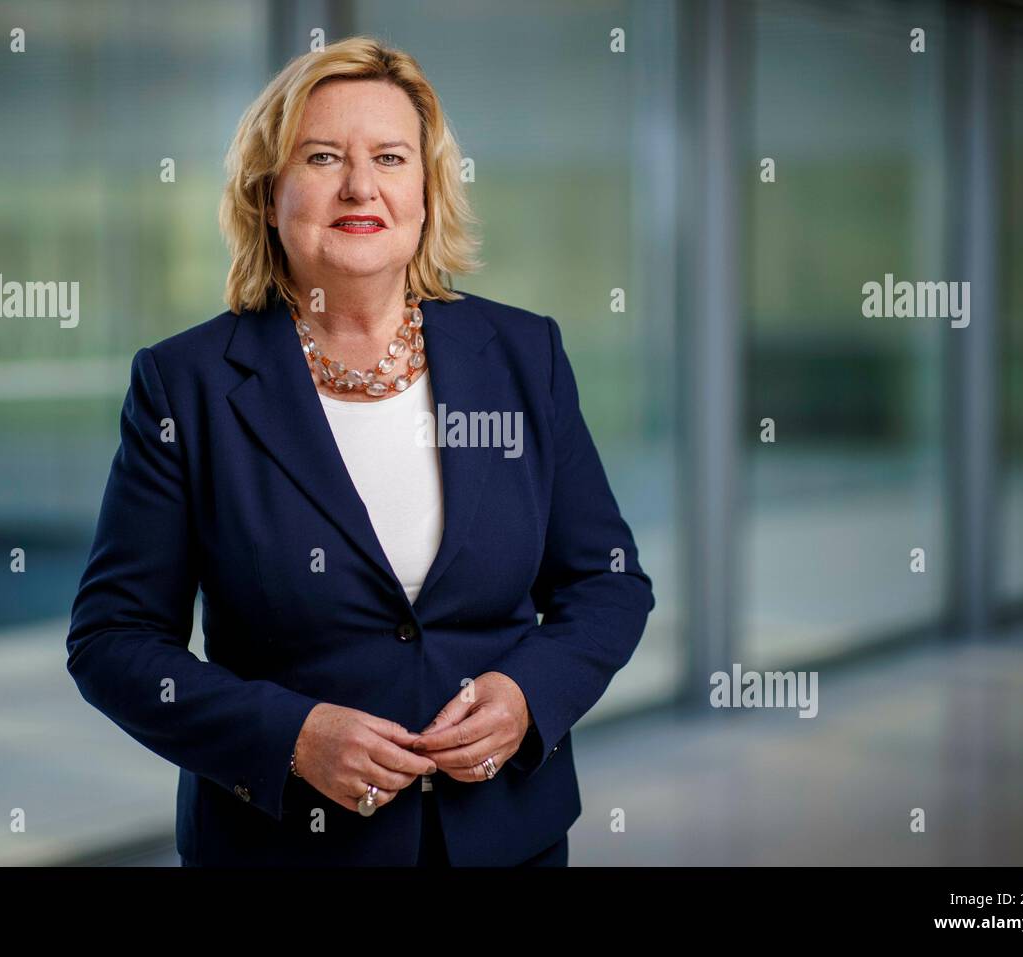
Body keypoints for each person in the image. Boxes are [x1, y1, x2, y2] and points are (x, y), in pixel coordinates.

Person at [65, 35, 654, 867]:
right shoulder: (184, 385)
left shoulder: (525, 356)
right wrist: (291, 735)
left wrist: (527, 696)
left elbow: (608, 580)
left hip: (506, 843)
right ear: (269, 193)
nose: (360, 186)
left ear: (425, 189)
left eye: (389, 156)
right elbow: (112, 639)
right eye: (322, 156)